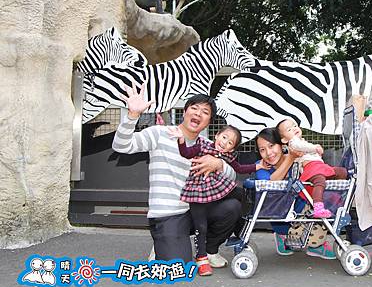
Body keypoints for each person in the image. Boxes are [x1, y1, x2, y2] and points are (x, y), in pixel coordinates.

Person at [112, 84, 241, 269]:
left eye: (205, 112)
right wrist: (132, 115)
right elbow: (121, 146)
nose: (198, 113)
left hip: (198, 210)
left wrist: (219, 164)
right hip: (169, 213)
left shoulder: (208, 145)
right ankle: (161, 245)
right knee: (177, 268)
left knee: (233, 206)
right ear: (185, 111)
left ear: (209, 121)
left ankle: (209, 250)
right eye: (194, 108)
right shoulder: (159, 133)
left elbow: (233, 174)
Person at [168, 124, 243, 275]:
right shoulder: (202, 145)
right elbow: (186, 153)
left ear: (231, 149)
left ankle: (238, 235)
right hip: (196, 192)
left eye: (230, 143)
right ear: (216, 135)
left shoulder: (226, 156)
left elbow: (241, 169)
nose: (225, 142)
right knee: (200, 226)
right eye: (224, 137)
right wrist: (181, 140)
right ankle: (201, 258)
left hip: (213, 194)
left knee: (240, 195)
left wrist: (259, 166)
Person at [253, 127, 336, 259]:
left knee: (322, 199)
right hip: (279, 215)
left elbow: (314, 172)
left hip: (301, 210)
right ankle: (284, 236)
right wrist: (290, 159)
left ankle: (315, 243)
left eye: (271, 146)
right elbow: (270, 183)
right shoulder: (262, 166)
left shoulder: (299, 158)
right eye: (262, 149)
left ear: (281, 144)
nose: (268, 153)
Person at [277, 118, 348, 218]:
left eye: (295, 126)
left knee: (342, 172)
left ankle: (336, 196)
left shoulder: (303, 141)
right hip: (311, 168)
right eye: (289, 130)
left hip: (319, 166)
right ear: (284, 139)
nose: (294, 129)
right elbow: (301, 146)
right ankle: (318, 207)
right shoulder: (293, 143)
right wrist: (315, 148)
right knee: (319, 181)